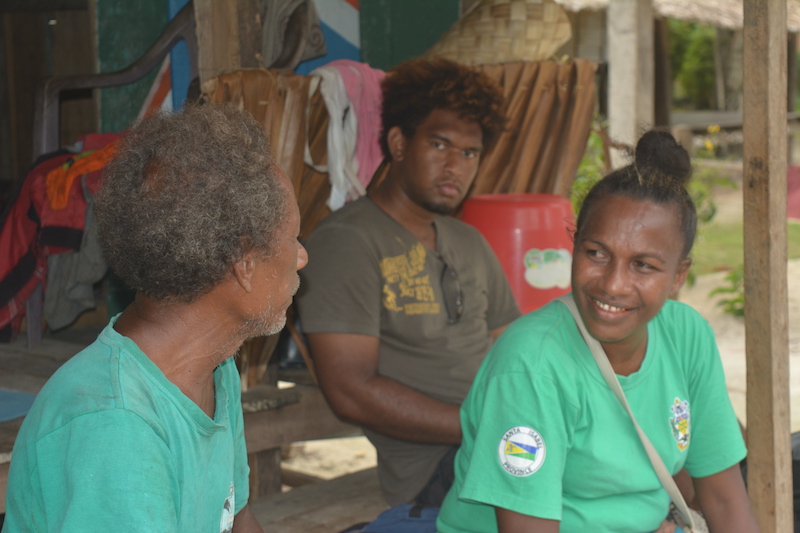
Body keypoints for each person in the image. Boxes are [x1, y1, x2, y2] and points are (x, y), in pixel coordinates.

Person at [2, 104, 308, 533]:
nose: (301, 256)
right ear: (244, 262)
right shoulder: (115, 426)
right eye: (293, 237)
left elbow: (238, 520)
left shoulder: (215, 368)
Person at [436, 130, 759, 533]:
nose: (613, 284)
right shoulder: (532, 365)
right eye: (596, 253)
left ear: (679, 275)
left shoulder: (687, 336)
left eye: (643, 265)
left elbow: (725, 499)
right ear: (574, 246)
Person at [295, 57, 521, 507]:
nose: (456, 165)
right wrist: (480, 424)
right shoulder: (348, 242)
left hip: (502, 447)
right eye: (440, 145)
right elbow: (350, 392)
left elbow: (517, 351)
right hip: (441, 472)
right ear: (399, 143)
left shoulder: (469, 241)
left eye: (470, 152)